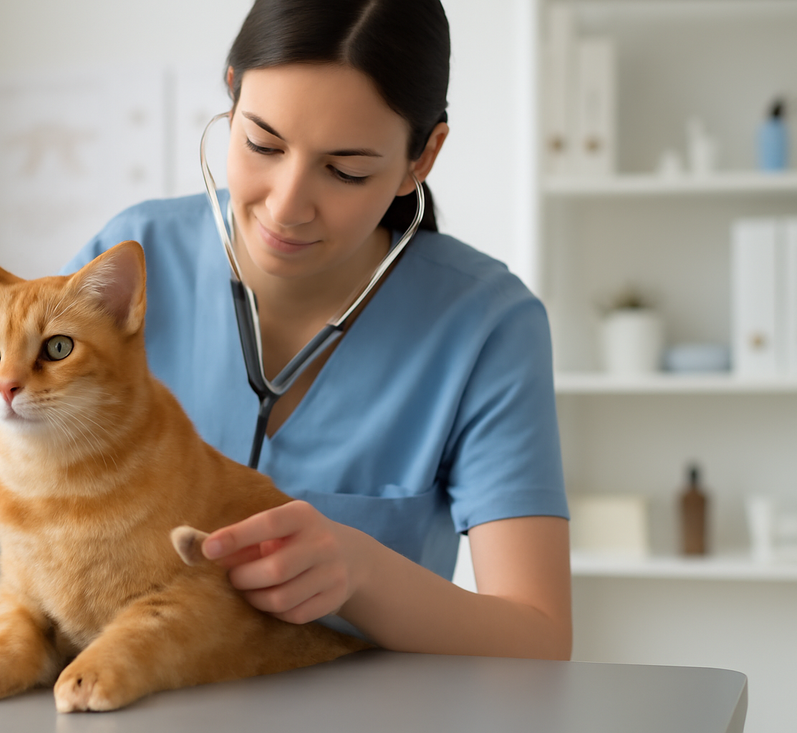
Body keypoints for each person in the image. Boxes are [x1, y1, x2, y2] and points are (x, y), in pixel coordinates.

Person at [65, 0, 572, 660]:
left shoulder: (487, 327)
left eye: (346, 169)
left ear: (422, 158)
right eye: (261, 144)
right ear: (230, 91)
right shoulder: (128, 260)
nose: (286, 205)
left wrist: (359, 572)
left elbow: (539, 638)